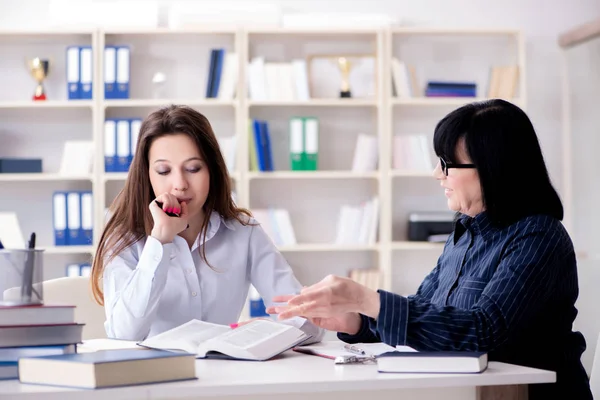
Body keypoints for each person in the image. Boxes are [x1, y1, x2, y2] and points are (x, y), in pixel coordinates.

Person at [269, 99, 592, 399]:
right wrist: (355, 319)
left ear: (493, 168)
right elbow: (429, 312)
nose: (438, 174)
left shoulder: (537, 235)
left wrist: (367, 299)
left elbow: (483, 331)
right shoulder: (464, 232)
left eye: (448, 163)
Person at [90, 105, 323, 343]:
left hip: (223, 373)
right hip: (153, 376)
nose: (179, 184)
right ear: (147, 175)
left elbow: (307, 322)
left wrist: (261, 332)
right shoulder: (124, 239)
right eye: (163, 171)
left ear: (211, 169)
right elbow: (124, 334)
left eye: (193, 168)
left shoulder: (243, 232)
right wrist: (160, 241)